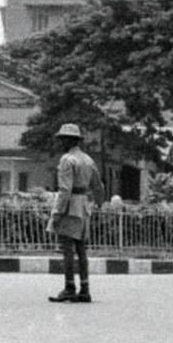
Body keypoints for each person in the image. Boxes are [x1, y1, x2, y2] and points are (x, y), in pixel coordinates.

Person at [46, 123, 104, 303]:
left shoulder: (67, 160)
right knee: (81, 249)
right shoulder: (87, 159)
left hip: (71, 206)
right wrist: (99, 204)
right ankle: (85, 288)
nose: (61, 142)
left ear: (69, 140)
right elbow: (98, 185)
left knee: (67, 249)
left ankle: (69, 287)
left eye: (63, 139)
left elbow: (65, 190)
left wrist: (57, 213)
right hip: (84, 206)